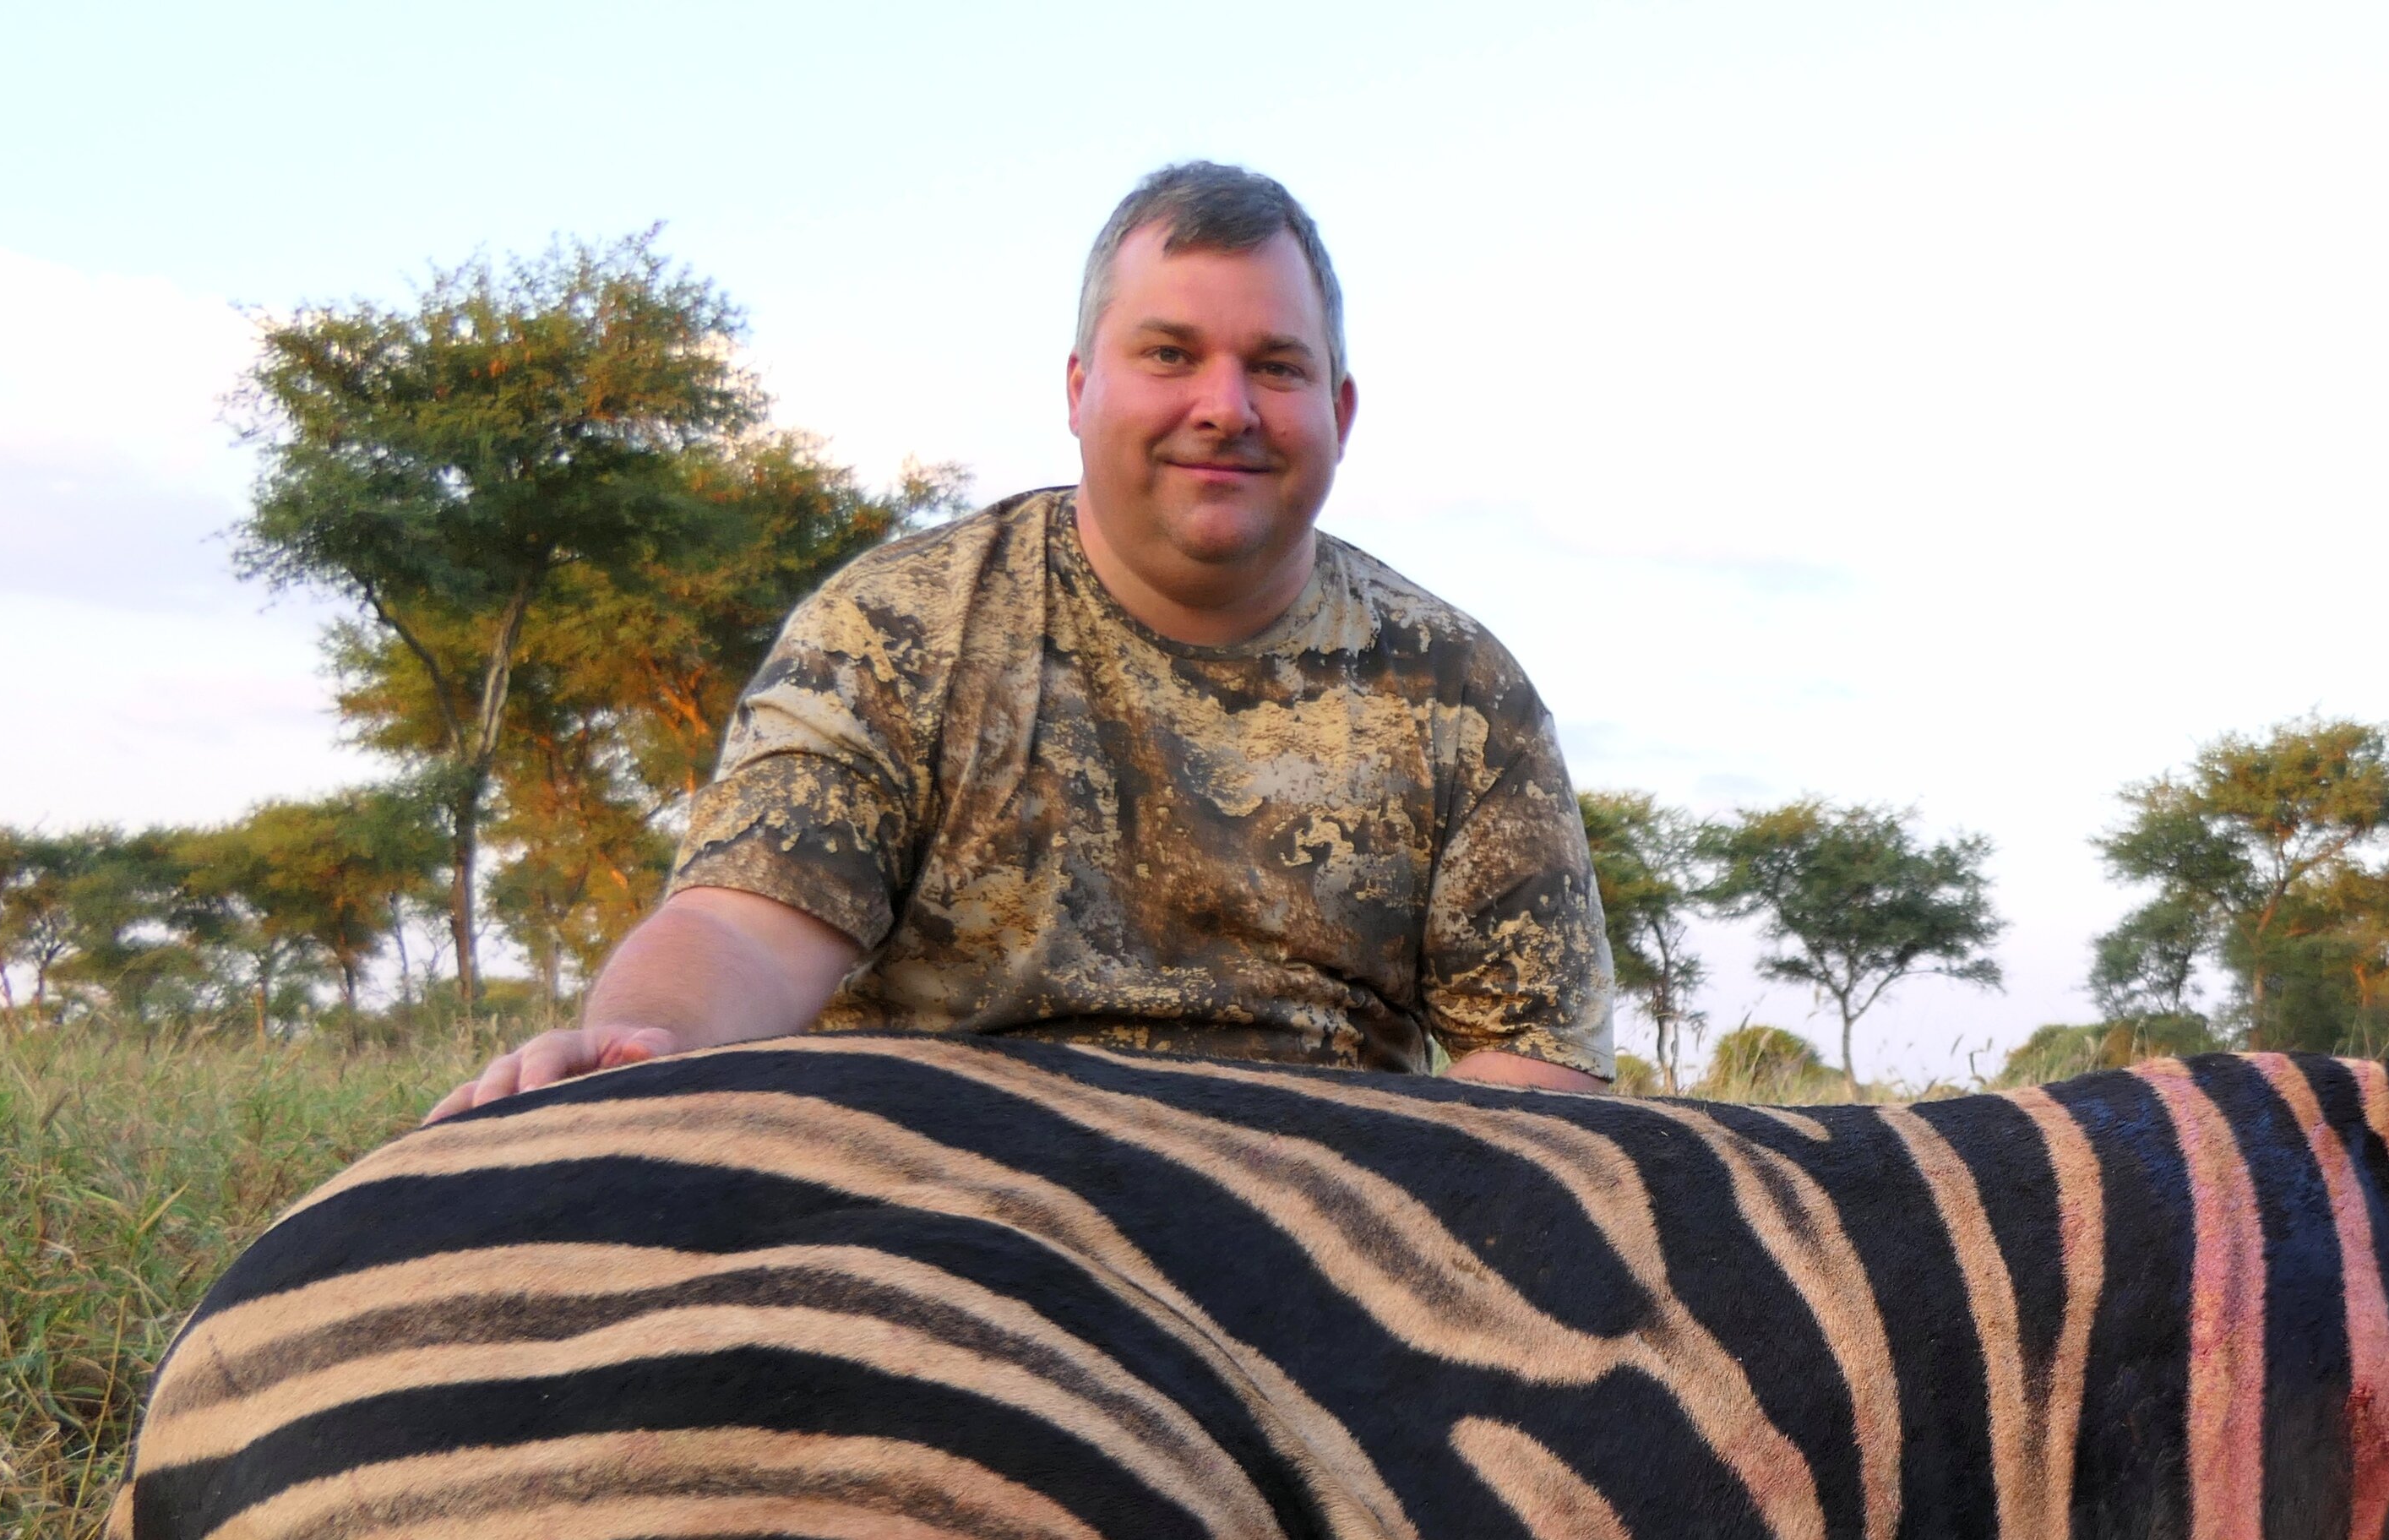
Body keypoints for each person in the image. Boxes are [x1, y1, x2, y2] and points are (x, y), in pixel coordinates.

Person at [432, 161, 1613, 1119]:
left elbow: (1533, 1074)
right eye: (1169, 354)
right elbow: (744, 922)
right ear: (1078, 387)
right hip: (939, 1220)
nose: (1224, 407)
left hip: (1307, 1251)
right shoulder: (893, 628)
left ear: (1338, 413)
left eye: (1276, 367)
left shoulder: (1463, 690)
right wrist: (645, 1041)